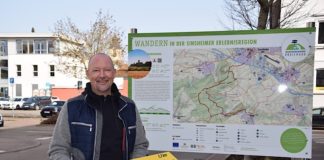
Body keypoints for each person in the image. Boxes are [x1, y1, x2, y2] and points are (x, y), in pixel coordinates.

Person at [48, 53, 149, 160]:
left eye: (107, 70)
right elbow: (58, 149)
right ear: (88, 74)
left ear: (114, 73)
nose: (102, 75)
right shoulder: (71, 107)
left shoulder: (129, 107)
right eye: (96, 70)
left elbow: (140, 146)